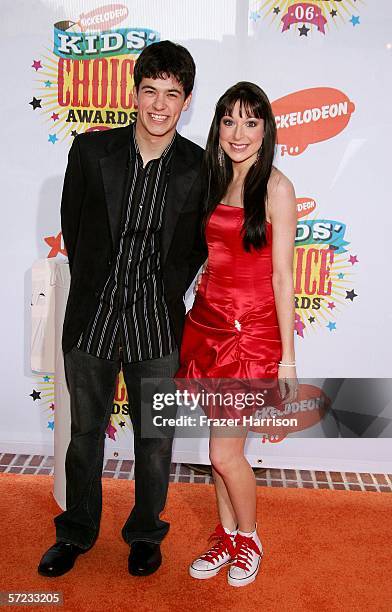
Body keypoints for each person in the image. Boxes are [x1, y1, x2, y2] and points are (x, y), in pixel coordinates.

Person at [38, 40, 206, 578]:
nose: (159, 105)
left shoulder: (199, 167)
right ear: (134, 93)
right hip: (94, 320)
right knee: (85, 434)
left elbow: (197, 245)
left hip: (156, 326)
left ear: (186, 101)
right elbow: (75, 226)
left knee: (155, 443)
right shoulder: (91, 153)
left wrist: (166, 291)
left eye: (172, 94)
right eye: (150, 91)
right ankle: (78, 531)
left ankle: (144, 532)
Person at [176, 82, 298, 587]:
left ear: (266, 129)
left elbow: (284, 276)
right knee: (220, 450)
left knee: (223, 454)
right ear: (217, 127)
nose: (239, 132)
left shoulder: (276, 187)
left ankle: (249, 538)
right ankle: (227, 535)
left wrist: (287, 358)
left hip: (250, 338)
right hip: (207, 325)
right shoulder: (213, 179)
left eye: (251, 122)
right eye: (230, 121)